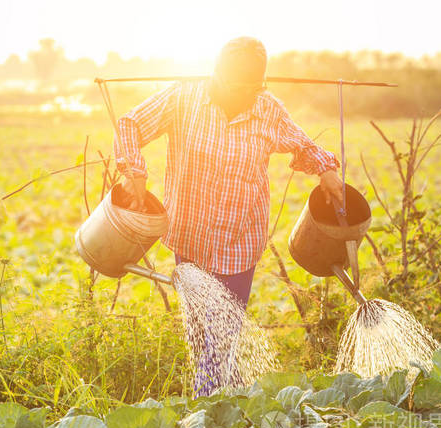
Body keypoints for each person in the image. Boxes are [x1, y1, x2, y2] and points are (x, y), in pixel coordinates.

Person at [113, 37, 344, 395]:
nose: (251, 94)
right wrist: (134, 172)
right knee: (204, 331)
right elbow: (130, 124)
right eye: (242, 86)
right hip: (190, 238)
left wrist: (326, 169)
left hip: (240, 240)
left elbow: (302, 144)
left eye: (257, 87)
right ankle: (218, 403)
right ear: (218, 74)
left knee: (224, 335)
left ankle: (210, 405)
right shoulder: (183, 97)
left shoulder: (268, 109)